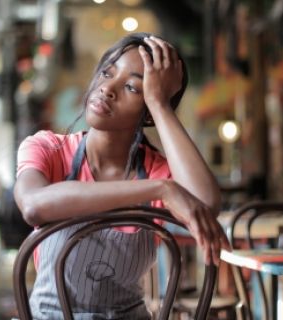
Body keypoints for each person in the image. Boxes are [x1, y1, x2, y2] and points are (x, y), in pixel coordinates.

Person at [14, 32, 229, 319]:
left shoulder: (153, 169)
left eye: (132, 87)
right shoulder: (48, 148)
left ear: (149, 110)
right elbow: (33, 205)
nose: (108, 88)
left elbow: (205, 204)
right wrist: (158, 190)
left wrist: (161, 105)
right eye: (106, 73)